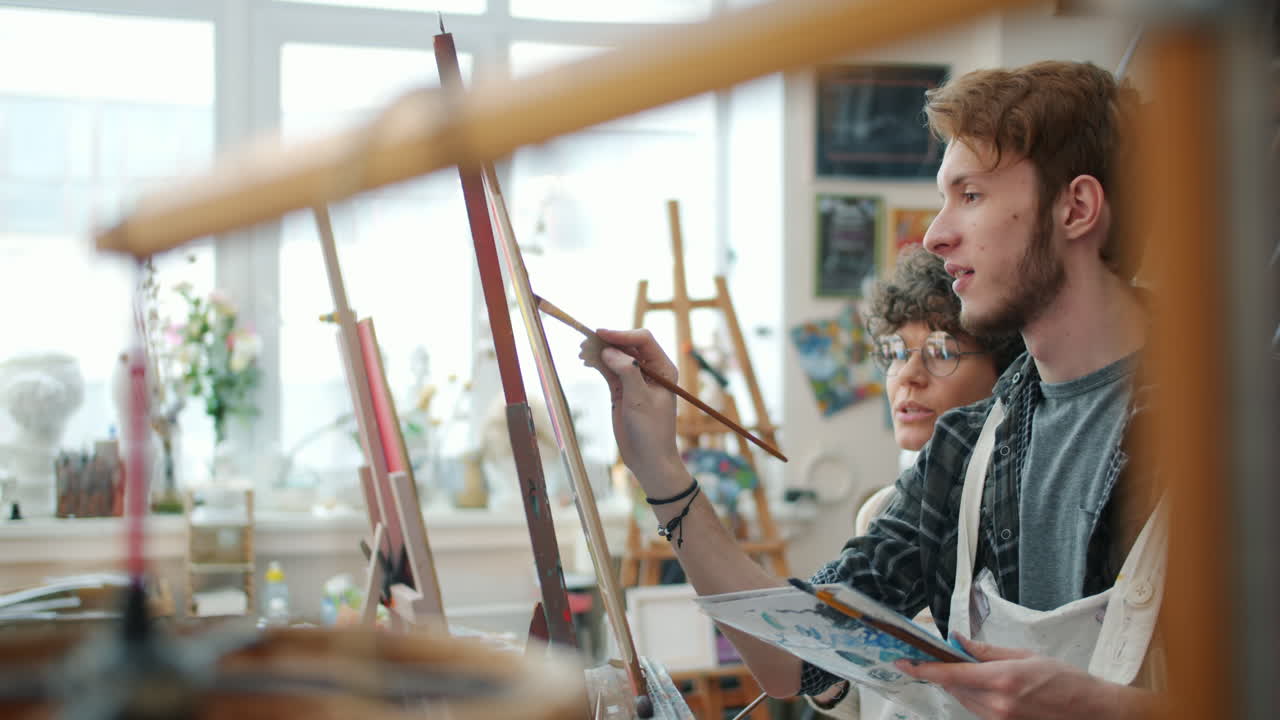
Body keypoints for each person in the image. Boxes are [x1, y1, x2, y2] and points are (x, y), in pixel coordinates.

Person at [584, 59, 1167, 720]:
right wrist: (660, 468)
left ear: (1076, 208)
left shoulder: (1232, 425)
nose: (938, 234)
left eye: (970, 195)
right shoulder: (970, 446)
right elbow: (795, 659)